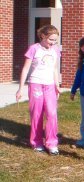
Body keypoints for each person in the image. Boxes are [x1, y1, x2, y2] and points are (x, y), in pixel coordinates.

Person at [16, 25, 61, 155]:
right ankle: (37, 142)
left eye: (55, 40)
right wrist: (20, 89)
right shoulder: (33, 49)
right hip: (35, 84)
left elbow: (54, 69)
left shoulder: (55, 50)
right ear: (43, 36)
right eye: (50, 40)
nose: (53, 43)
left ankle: (52, 143)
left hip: (49, 85)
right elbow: (25, 69)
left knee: (52, 114)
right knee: (37, 114)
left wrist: (57, 84)